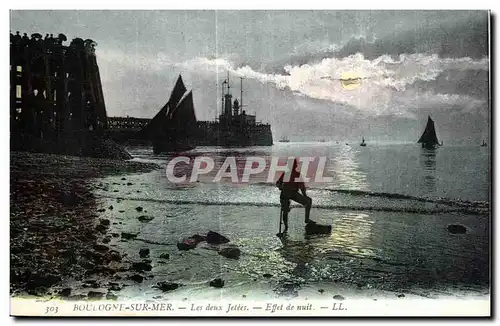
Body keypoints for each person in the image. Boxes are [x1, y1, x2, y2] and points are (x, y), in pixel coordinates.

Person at [276, 159, 314, 233]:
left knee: (286, 211)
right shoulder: (288, 174)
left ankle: (287, 226)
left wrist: (279, 186)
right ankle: (286, 226)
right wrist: (280, 186)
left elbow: (302, 187)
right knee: (286, 210)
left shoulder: (291, 174)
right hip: (286, 193)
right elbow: (302, 188)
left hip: (291, 193)